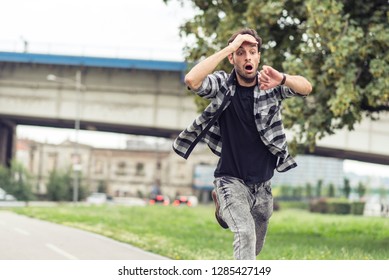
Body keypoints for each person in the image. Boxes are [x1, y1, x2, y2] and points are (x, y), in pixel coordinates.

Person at [172, 28, 312, 260]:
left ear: (258, 56)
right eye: (240, 52)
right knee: (245, 235)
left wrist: (284, 79)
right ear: (232, 58)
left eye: (252, 52)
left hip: (263, 186)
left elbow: (306, 87)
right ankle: (224, 202)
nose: (247, 57)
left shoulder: (271, 84)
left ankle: (222, 213)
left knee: (253, 248)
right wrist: (229, 46)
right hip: (230, 180)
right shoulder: (221, 85)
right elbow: (192, 80)